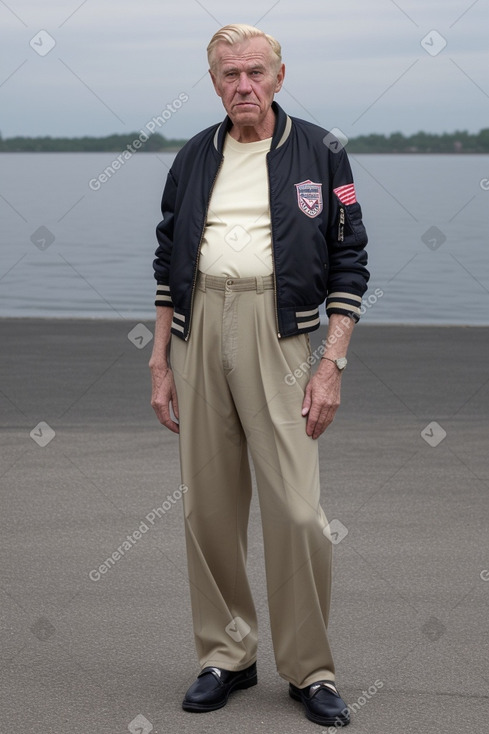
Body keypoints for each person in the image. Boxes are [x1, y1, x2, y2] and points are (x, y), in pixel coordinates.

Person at [149, 23, 369, 728]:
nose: (242, 86)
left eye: (254, 72)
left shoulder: (320, 150)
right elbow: (165, 266)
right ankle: (226, 655)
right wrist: (159, 360)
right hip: (197, 329)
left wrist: (329, 363)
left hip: (282, 334)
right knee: (207, 508)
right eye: (227, 75)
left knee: (298, 513)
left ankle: (309, 669)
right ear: (213, 82)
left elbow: (350, 261)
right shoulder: (191, 157)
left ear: (278, 74)